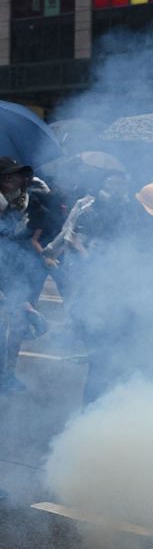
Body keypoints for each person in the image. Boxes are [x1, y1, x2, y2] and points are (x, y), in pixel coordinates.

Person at [0, 157, 48, 393]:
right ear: (5, 180)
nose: (21, 180)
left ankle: (5, 377)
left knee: (9, 326)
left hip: (10, 269)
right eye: (15, 176)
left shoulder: (19, 203)